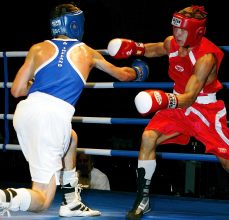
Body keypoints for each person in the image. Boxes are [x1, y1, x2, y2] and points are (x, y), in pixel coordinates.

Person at [107, 5, 229, 219]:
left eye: (182, 30)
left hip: (204, 110)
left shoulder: (206, 57)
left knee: (228, 163)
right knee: (148, 137)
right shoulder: (173, 42)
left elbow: (190, 97)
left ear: (196, 31)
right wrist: (137, 48)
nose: (176, 33)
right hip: (176, 107)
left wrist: (163, 99)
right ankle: (142, 199)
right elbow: (157, 48)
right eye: (175, 28)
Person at [0, 3, 149, 217]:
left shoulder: (37, 49)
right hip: (51, 118)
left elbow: (16, 90)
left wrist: (38, 83)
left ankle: (71, 202)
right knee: (42, 199)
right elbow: (123, 75)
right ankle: (5, 197)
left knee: (71, 137)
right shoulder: (87, 52)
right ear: (75, 25)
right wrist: (139, 71)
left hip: (25, 112)